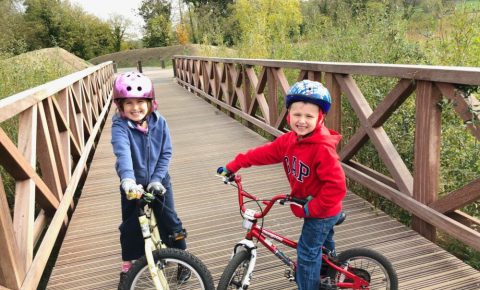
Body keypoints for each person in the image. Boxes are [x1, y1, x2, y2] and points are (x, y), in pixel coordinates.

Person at [217, 80, 347, 290]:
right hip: (309, 204)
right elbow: (263, 153)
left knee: (306, 252)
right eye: (297, 115)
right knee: (321, 249)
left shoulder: (322, 149)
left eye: (309, 116)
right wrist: (235, 165)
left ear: (320, 118)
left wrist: (312, 208)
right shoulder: (289, 141)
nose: (302, 121)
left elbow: (337, 187)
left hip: (322, 209)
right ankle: (330, 273)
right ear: (289, 115)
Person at [111, 71, 191, 288]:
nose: (135, 108)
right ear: (120, 105)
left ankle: (183, 256)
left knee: (170, 219)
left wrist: (157, 179)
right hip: (133, 184)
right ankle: (128, 265)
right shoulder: (119, 126)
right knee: (130, 225)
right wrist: (127, 180)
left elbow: (166, 153)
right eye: (129, 103)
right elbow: (123, 152)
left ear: (150, 102)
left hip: (159, 179)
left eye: (140, 102)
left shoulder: (160, 123)